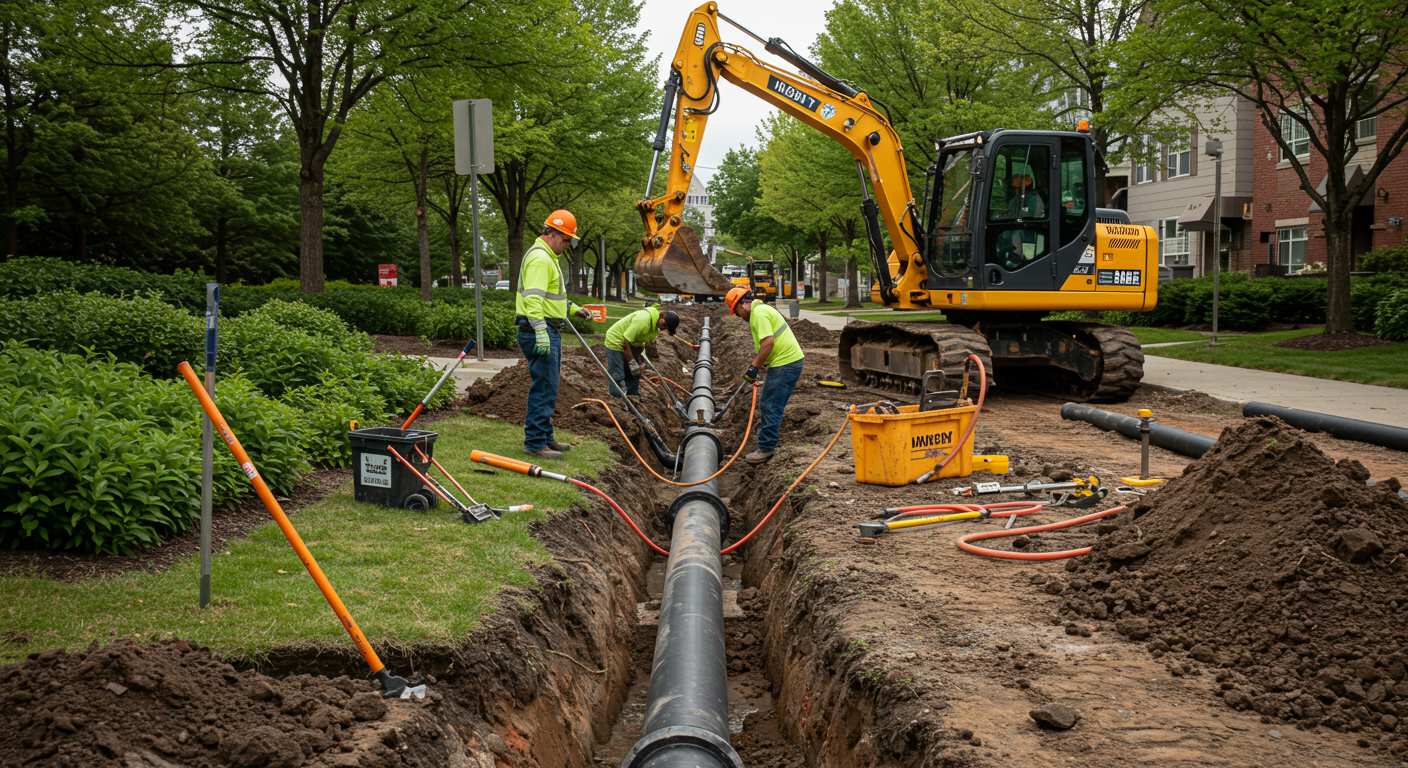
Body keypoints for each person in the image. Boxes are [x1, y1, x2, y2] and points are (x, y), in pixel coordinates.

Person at [515, 209, 593, 460]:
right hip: (540, 329)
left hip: (547, 327)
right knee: (544, 386)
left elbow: (551, 299)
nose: (568, 245)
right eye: (567, 239)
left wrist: (573, 309)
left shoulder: (547, 258)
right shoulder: (540, 259)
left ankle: (545, 437)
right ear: (553, 234)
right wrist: (539, 330)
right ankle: (535, 442)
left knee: (549, 386)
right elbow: (534, 299)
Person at [724, 286, 804, 464]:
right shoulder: (761, 311)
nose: (738, 316)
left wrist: (754, 367)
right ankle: (767, 443)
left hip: (785, 364)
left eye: (736, 312)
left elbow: (768, 343)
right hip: (784, 363)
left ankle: (766, 448)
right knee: (769, 403)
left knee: (770, 405)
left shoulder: (759, 314)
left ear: (742, 304)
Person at [603, 305, 680, 397]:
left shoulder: (655, 327)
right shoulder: (643, 320)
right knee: (618, 374)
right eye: (664, 325)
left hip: (632, 344)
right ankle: (617, 398)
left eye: (666, 328)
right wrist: (632, 363)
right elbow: (625, 342)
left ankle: (633, 396)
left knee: (635, 373)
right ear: (662, 315)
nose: (664, 328)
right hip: (616, 340)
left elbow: (647, 346)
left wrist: (640, 363)